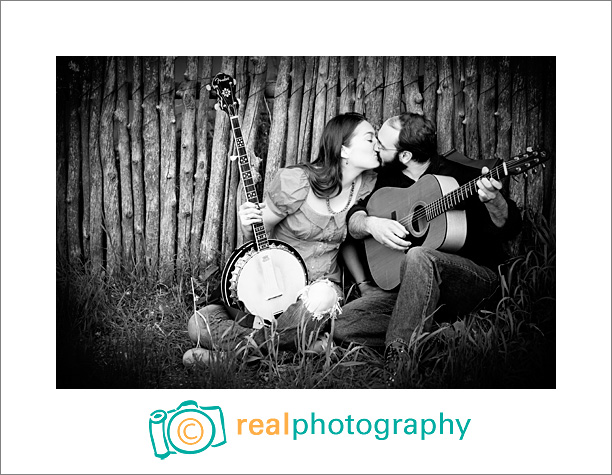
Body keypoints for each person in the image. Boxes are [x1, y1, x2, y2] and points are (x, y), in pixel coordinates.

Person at [334, 112, 523, 378]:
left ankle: (399, 357)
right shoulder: (390, 179)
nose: (376, 145)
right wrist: (370, 224)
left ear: (405, 156)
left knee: (418, 255)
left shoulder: (462, 178)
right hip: (413, 290)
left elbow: (511, 226)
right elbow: (355, 217)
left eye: (381, 143)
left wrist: (494, 201)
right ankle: (442, 332)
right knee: (343, 324)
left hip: (473, 280)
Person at [187, 113, 379, 360]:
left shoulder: (367, 186)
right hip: (272, 286)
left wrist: (363, 285)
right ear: (344, 150)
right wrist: (248, 225)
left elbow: (348, 243)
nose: (377, 145)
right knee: (198, 323)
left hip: (317, 292)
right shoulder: (297, 182)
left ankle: (240, 357)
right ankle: (298, 349)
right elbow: (259, 235)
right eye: (369, 138)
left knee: (323, 298)